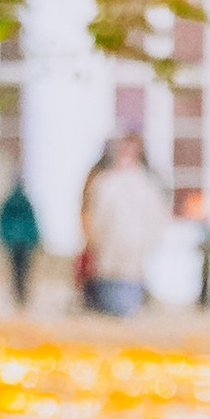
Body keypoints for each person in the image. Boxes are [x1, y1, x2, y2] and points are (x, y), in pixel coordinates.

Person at [81, 133, 168, 317]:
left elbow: (154, 217)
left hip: (123, 249)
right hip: (118, 249)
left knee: (120, 287)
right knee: (117, 287)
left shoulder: (140, 185)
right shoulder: (109, 183)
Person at [0, 175, 40, 307]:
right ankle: (22, 294)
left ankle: (18, 294)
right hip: (25, 242)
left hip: (14, 242)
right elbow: (32, 223)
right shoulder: (26, 202)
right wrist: (35, 239)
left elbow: (3, 222)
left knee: (15, 269)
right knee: (24, 270)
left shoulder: (9, 202)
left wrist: (5, 237)